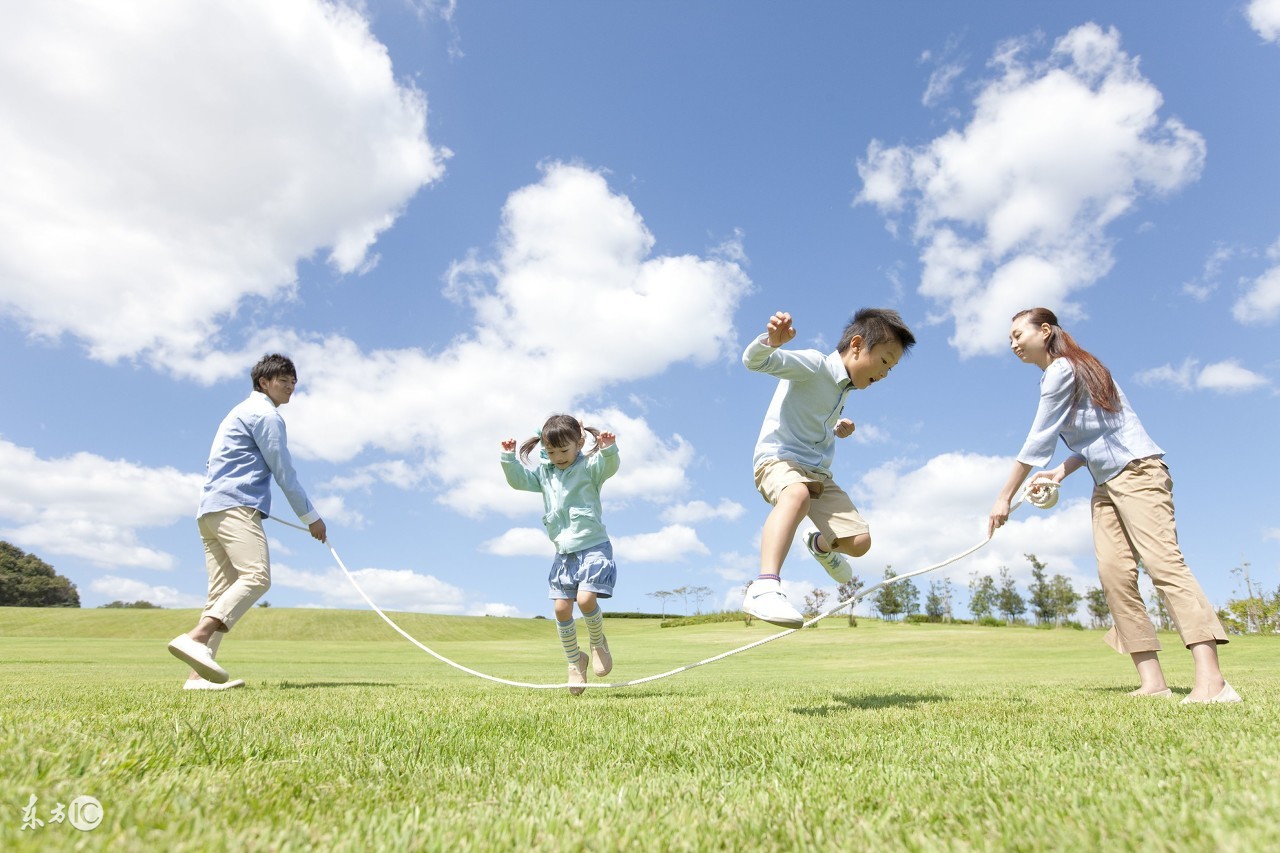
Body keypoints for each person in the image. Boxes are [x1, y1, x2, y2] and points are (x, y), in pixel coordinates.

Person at [988, 308, 1238, 704]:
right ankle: (1153, 683)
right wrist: (1059, 474)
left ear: (1045, 331)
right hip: (1106, 482)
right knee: (1114, 574)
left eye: (1019, 334)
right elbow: (1096, 441)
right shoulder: (1064, 374)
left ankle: (1213, 682)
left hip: (1138, 472)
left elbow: (1038, 440)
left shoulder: (1064, 370)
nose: (1013, 343)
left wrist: (1003, 497)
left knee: (1163, 564)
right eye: (1010, 338)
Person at [741, 309, 916, 627]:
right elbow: (754, 362)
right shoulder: (813, 364)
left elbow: (809, 413)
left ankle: (818, 544)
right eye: (885, 361)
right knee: (796, 495)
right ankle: (764, 586)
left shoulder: (843, 388)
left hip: (817, 473)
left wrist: (836, 426)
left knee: (859, 543)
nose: (886, 373)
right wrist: (770, 343)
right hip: (778, 460)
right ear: (858, 345)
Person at [167, 354, 327, 691]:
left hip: (210, 511)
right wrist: (312, 518)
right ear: (263, 382)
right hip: (235, 507)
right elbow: (284, 472)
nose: (290, 389)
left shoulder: (236, 413)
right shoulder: (266, 415)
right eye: (284, 381)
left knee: (220, 594)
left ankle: (197, 679)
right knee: (257, 576)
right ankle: (197, 637)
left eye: (293, 383)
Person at [501, 415, 619, 695]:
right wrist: (508, 458)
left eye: (564, 450)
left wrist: (608, 448)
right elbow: (519, 482)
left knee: (585, 599)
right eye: (551, 452)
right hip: (563, 553)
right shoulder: (545, 474)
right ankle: (575, 662)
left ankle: (598, 642)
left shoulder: (589, 468)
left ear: (579, 443)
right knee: (561, 608)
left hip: (592, 546)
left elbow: (609, 466)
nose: (558, 457)